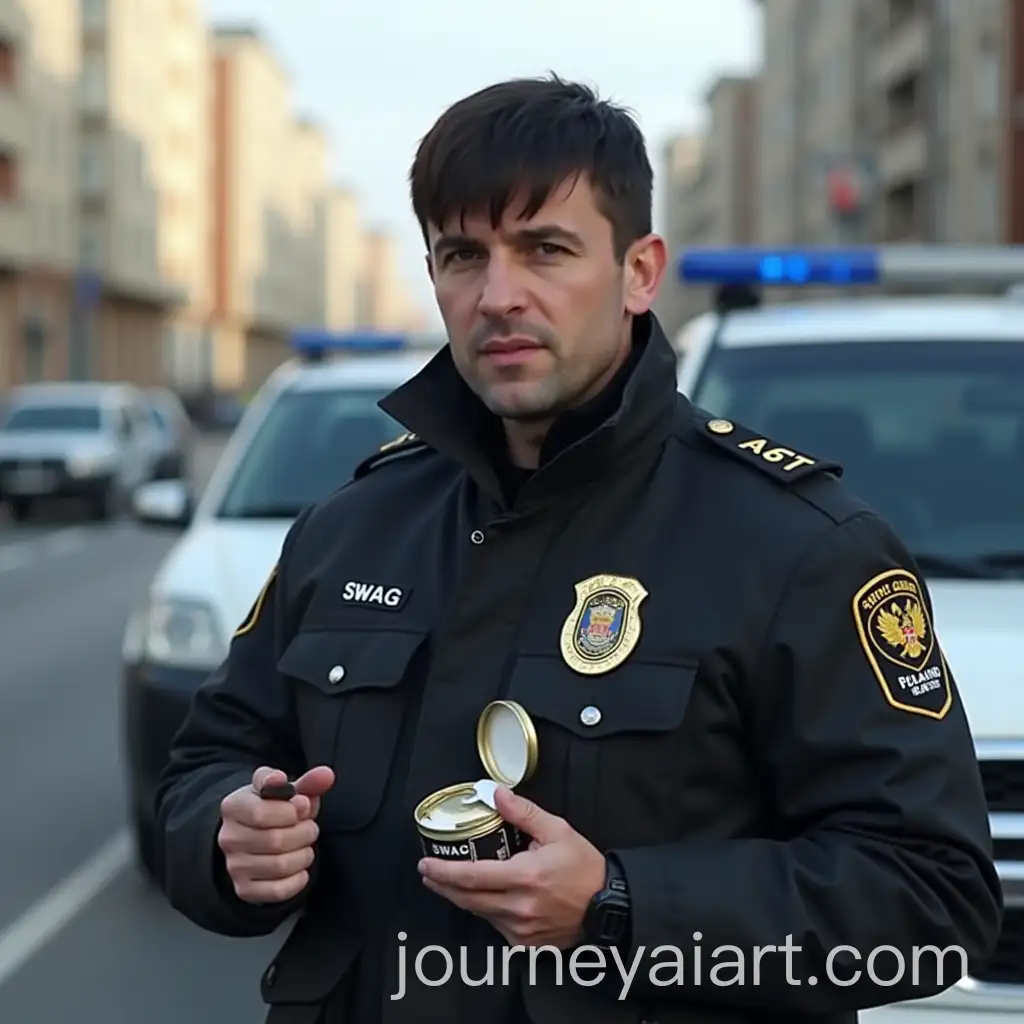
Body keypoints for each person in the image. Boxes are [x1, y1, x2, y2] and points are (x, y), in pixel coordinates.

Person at [155, 75, 1002, 1024]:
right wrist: (232, 835)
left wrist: (621, 904)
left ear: (640, 272)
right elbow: (205, 766)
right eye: (463, 256)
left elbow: (932, 899)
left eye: (545, 250)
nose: (498, 296)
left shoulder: (798, 547)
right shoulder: (352, 527)